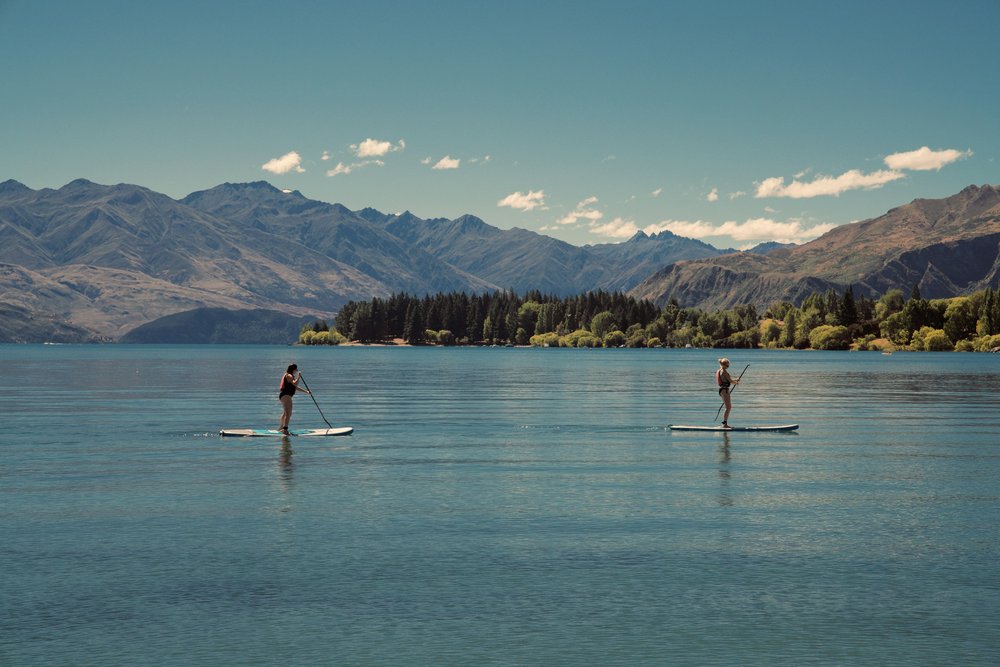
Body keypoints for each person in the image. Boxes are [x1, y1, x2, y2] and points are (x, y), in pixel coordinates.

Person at [278, 363, 310, 435]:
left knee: (285, 413)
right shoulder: (289, 375)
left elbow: (295, 387)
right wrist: (299, 377)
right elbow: (295, 384)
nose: (297, 370)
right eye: (296, 369)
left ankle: (281, 428)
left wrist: (306, 392)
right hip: (286, 396)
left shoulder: (290, 376)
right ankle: (285, 429)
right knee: (288, 413)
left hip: (285, 396)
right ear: (293, 369)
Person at [716, 357, 739, 429]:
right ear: (724, 365)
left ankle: (725, 424)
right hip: (724, 390)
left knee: (728, 407)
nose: (728, 367)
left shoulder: (720, 370)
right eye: (727, 365)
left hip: (722, 390)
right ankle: (724, 424)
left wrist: (736, 380)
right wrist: (736, 382)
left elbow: (728, 380)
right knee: (728, 407)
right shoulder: (724, 372)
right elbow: (731, 381)